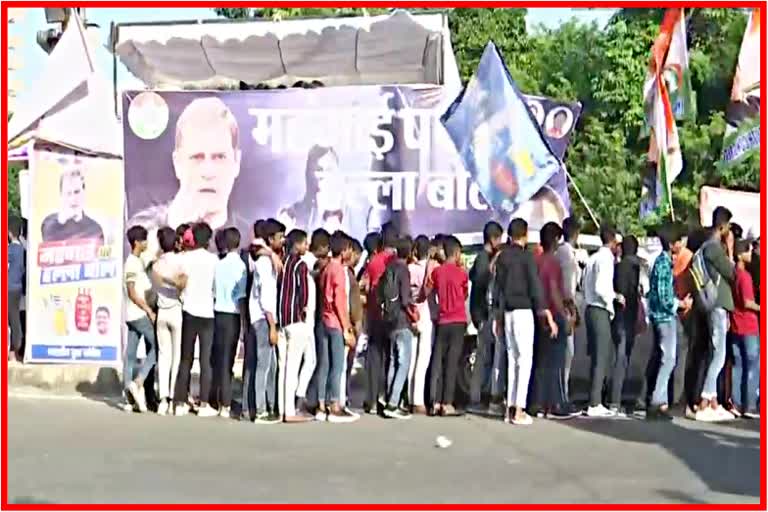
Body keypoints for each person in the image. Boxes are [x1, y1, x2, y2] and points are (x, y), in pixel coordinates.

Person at [127, 97, 244, 255]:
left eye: (219, 157)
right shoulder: (142, 232)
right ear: (177, 163)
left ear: (236, 162)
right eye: (197, 157)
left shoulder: (247, 239)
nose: (208, 173)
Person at [493, 219, 554, 425]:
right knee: (524, 360)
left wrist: (497, 316)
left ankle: (510, 408)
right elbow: (535, 287)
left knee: (511, 359)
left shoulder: (502, 258)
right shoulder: (527, 258)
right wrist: (546, 313)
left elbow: (497, 288)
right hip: (523, 311)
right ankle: (519, 409)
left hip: (507, 313)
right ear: (525, 235)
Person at [533, 222, 581, 419]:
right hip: (552, 315)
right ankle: (556, 403)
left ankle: (538, 403)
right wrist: (564, 315)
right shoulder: (552, 263)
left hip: (538, 315)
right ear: (554, 240)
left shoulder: (535, 260)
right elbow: (554, 291)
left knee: (540, 362)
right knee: (556, 363)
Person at [696, 207, 737, 422]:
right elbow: (733, 273)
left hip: (716, 305)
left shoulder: (706, 247)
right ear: (722, 226)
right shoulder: (714, 248)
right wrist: (730, 251)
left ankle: (711, 400)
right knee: (719, 355)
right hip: (717, 304)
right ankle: (705, 400)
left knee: (716, 352)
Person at [647, 224, 693, 421]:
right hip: (665, 317)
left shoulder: (661, 262)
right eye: (680, 241)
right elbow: (665, 297)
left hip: (659, 316)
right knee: (668, 359)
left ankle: (661, 402)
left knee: (665, 358)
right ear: (672, 244)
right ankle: (657, 402)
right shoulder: (664, 264)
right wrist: (681, 303)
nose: (682, 244)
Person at [173, 222, 219, 418]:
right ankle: (204, 403)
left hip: (188, 311)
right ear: (208, 239)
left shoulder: (185, 258)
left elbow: (179, 284)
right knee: (206, 361)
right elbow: (215, 287)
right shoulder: (213, 260)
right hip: (207, 312)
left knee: (186, 359)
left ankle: (179, 403)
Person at [244, 219, 284, 424]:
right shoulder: (265, 263)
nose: (283, 241)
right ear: (270, 239)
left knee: (270, 366)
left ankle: (268, 405)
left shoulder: (265, 259)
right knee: (264, 366)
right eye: (280, 237)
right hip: (263, 319)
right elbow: (266, 298)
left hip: (259, 317)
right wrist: (272, 326)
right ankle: (260, 410)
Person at [317, 231, 358, 423]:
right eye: (349, 248)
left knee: (324, 364)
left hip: (324, 320)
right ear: (344, 250)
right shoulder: (339, 271)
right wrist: (347, 329)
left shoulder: (326, 269)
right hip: (335, 323)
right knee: (337, 366)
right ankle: (334, 405)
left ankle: (321, 404)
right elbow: (340, 302)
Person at [426, 236, 469, 417]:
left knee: (438, 361)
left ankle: (434, 402)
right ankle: (447, 403)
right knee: (452, 362)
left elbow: (428, 291)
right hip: (458, 320)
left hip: (442, 320)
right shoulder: (462, 273)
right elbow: (465, 294)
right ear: (457, 253)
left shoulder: (437, 272)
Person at [583, 223, 622, 418]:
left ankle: (594, 397)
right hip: (600, 309)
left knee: (596, 357)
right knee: (601, 356)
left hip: (590, 308)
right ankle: (595, 402)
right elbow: (601, 287)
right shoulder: (606, 259)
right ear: (613, 240)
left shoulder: (592, 258)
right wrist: (614, 298)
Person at [276, 229, 315, 422]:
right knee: (292, 367)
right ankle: (290, 412)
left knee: (283, 367)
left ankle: (282, 408)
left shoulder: (281, 262)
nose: (307, 246)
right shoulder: (301, 265)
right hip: (296, 321)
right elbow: (304, 294)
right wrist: (303, 310)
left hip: (281, 321)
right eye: (305, 243)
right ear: (297, 244)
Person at [467, 221, 504, 414]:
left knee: (487, 358)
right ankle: (476, 398)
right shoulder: (483, 259)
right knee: (482, 359)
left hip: (483, 315)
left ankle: (482, 395)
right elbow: (481, 281)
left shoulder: (483, 258)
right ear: (493, 239)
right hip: (483, 315)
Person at [361, 223, 398, 414]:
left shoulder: (374, 261)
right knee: (391, 358)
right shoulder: (397, 261)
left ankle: (372, 400)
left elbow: (365, 286)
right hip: (393, 317)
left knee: (374, 358)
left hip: (375, 314)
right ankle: (389, 398)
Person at [212, 227, 247, 419]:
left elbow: (214, 290)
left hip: (218, 314)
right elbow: (241, 297)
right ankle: (225, 402)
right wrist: (243, 323)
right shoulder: (241, 266)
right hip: (232, 315)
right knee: (228, 360)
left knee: (219, 359)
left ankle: (219, 400)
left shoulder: (219, 265)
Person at [151, 227, 187, 416]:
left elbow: (156, 282)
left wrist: (163, 279)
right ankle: (173, 398)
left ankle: (163, 399)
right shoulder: (180, 261)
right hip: (175, 310)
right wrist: (172, 282)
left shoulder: (156, 265)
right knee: (176, 356)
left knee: (164, 357)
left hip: (162, 312)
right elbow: (182, 284)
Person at [123, 225, 157, 413]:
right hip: (138, 313)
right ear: (137, 242)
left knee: (130, 355)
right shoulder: (131, 263)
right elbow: (132, 292)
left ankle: (129, 397)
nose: (146, 243)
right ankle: (138, 381)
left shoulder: (138, 261)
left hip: (133, 315)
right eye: (144, 240)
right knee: (158, 346)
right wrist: (148, 311)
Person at [382, 236, 415, 419]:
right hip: (402, 321)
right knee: (404, 363)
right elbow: (405, 299)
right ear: (409, 252)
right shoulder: (403, 270)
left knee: (394, 361)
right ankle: (394, 403)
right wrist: (413, 314)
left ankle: (390, 399)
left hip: (389, 319)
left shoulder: (390, 268)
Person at [609, 235, 642, 415]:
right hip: (629, 317)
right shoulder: (636, 267)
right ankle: (616, 399)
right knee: (623, 358)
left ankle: (614, 398)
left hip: (619, 317)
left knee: (618, 358)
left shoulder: (618, 267)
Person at [729, 239, 760, 419]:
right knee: (752, 366)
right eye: (748, 251)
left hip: (735, 324)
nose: (751, 254)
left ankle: (737, 402)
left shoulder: (733, 275)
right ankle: (749, 405)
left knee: (738, 365)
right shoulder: (745, 277)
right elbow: (748, 302)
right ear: (741, 254)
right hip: (748, 325)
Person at [407, 235, 434, 414]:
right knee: (423, 358)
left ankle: (410, 398)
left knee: (411, 359)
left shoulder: (408, 269)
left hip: (411, 313)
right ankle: (418, 400)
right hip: (427, 313)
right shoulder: (432, 269)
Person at [555, 216, 582, 400]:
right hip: (565, 307)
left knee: (566, 353)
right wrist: (573, 310)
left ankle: (562, 393)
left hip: (565, 305)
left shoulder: (565, 252)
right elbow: (567, 287)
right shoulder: (566, 254)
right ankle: (561, 395)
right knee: (566, 353)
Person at [42, 167, 104, 243]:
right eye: (68, 193)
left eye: (77, 192)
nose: (73, 199)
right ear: (61, 196)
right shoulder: (49, 224)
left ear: (84, 192)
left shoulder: (95, 229)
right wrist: (60, 222)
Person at [7, 216, 25, 362]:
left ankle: (12, 353)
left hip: (8, 288)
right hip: (18, 288)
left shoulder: (10, 250)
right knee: (15, 318)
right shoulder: (23, 249)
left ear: (9, 233)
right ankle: (15, 351)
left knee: (11, 320)